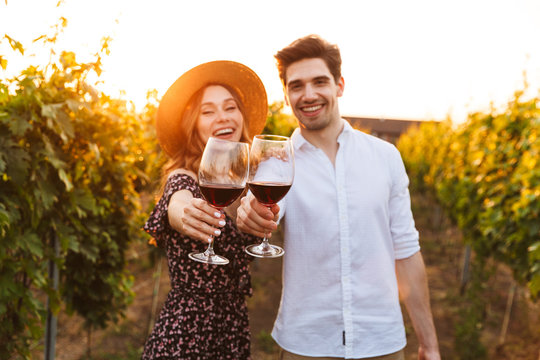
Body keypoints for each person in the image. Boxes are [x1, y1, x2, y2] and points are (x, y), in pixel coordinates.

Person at [236, 35, 441, 360]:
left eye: (320, 82)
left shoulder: (385, 157)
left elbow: (406, 252)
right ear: (287, 95)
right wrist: (253, 211)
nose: (309, 94)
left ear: (339, 85)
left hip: (382, 342)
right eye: (296, 85)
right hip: (306, 344)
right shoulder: (277, 162)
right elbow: (266, 205)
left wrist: (428, 343)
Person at [141, 60, 267, 359]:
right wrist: (183, 213)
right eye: (207, 111)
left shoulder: (251, 182)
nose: (222, 117)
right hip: (186, 336)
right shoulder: (184, 177)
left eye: (230, 107)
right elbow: (178, 201)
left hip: (233, 332)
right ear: (193, 125)